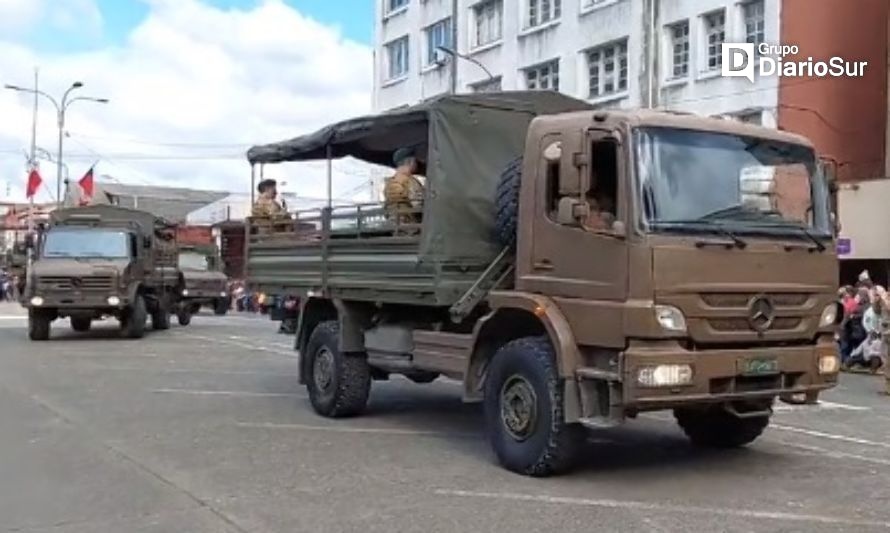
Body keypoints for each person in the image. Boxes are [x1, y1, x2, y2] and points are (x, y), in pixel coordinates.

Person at [383, 147, 425, 226]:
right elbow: (418, 206)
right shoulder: (411, 182)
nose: (416, 164)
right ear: (410, 162)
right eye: (415, 161)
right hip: (410, 227)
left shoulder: (389, 183)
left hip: (392, 226)